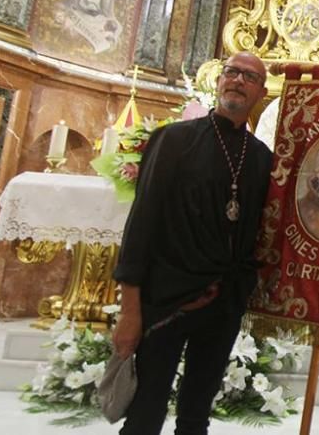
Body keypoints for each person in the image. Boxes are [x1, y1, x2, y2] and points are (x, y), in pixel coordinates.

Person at [112, 51, 272, 435]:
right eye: (231, 72)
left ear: (261, 93)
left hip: (223, 304)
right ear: (219, 80)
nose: (237, 81)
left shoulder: (262, 159)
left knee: (196, 416)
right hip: (166, 300)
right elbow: (141, 226)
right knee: (145, 414)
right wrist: (130, 310)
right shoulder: (173, 140)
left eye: (248, 77)